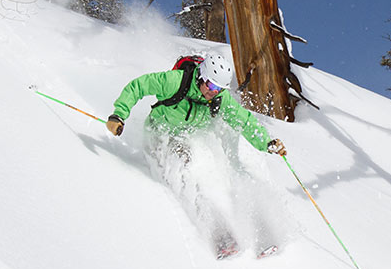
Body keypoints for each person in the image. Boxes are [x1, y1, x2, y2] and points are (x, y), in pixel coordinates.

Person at [105, 52, 286, 258]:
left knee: (228, 167)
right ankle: (220, 234)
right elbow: (138, 86)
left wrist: (266, 142)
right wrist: (119, 114)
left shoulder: (219, 97)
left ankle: (260, 230)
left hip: (191, 136)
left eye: (219, 89)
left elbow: (243, 120)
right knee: (184, 170)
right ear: (201, 76)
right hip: (161, 136)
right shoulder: (175, 82)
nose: (213, 92)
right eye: (211, 85)